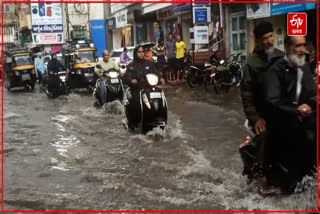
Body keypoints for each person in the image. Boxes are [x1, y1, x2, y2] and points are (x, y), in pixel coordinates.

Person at [263, 35, 316, 194]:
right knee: (306, 138)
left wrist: (311, 103)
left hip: (305, 117)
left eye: (303, 45)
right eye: (297, 46)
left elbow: (313, 93)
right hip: (282, 118)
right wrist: (296, 110)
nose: (301, 50)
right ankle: (278, 182)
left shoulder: (305, 67)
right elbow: (273, 100)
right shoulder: (276, 70)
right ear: (287, 47)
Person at [240, 21, 284, 194]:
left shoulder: (282, 57)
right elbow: (247, 96)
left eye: (271, 36)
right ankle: (261, 175)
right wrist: (255, 118)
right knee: (265, 134)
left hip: (283, 111)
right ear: (258, 41)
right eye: (264, 38)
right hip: (262, 115)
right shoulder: (251, 64)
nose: (269, 41)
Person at [123, 45, 165, 130]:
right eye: (139, 52)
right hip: (137, 90)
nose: (141, 54)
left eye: (142, 52)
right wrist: (131, 80)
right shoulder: (131, 65)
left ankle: (161, 117)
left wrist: (160, 78)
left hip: (149, 89)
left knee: (160, 97)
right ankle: (133, 124)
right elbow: (127, 76)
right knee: (134, 103)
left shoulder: (150, 63)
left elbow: (156, 72)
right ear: (136, 53)